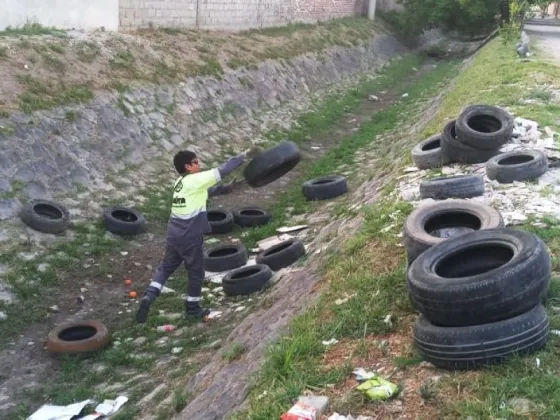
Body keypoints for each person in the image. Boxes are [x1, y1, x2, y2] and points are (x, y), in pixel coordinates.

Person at [136, 146, 263, 323]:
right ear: (188, 167)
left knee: (166, 267)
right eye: (196, 162)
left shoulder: (180, 183)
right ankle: (192, 308)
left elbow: (206, 192)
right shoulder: (195, 179)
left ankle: (149, 296)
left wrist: (227, 188)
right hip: (190, 236)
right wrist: (244, 155)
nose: (199, 164)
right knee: (196, 273)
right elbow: (223, 170)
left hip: (174, 234)